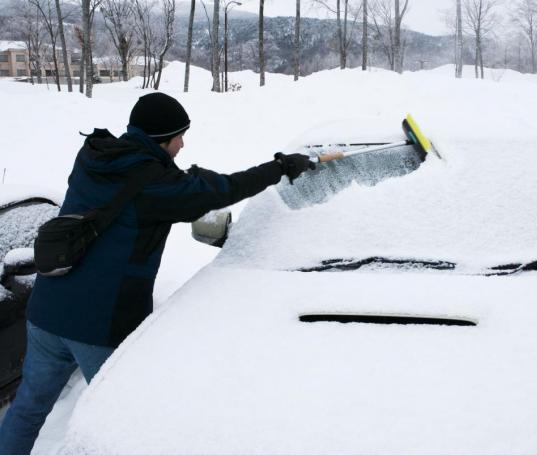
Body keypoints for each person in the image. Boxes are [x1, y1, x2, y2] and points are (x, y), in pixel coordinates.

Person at [0, 92, 315, 454]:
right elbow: (221, 190)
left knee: (29, 407)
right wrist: (279, 167)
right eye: (179, 135)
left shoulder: (95, 156)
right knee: (120, 423)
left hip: (46, 310)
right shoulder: (155, 185)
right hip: (99, 326)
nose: (183, 143)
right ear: (161, 138)